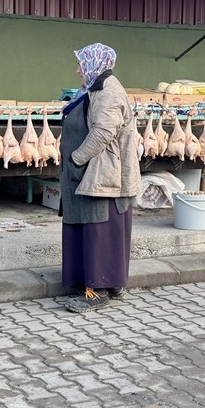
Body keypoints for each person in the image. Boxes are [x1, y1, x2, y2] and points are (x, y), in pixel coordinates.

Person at [60, 43, 141, 313]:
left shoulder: (108, 90)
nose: (77, 70)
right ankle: (94, 281)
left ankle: (100, 289)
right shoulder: (96, 88)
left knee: (100, 230)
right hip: (92, 174)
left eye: (81, 64)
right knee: (90, 229)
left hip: (104, 174)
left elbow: (103, 132)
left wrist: (76, 158)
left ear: (94, 64)